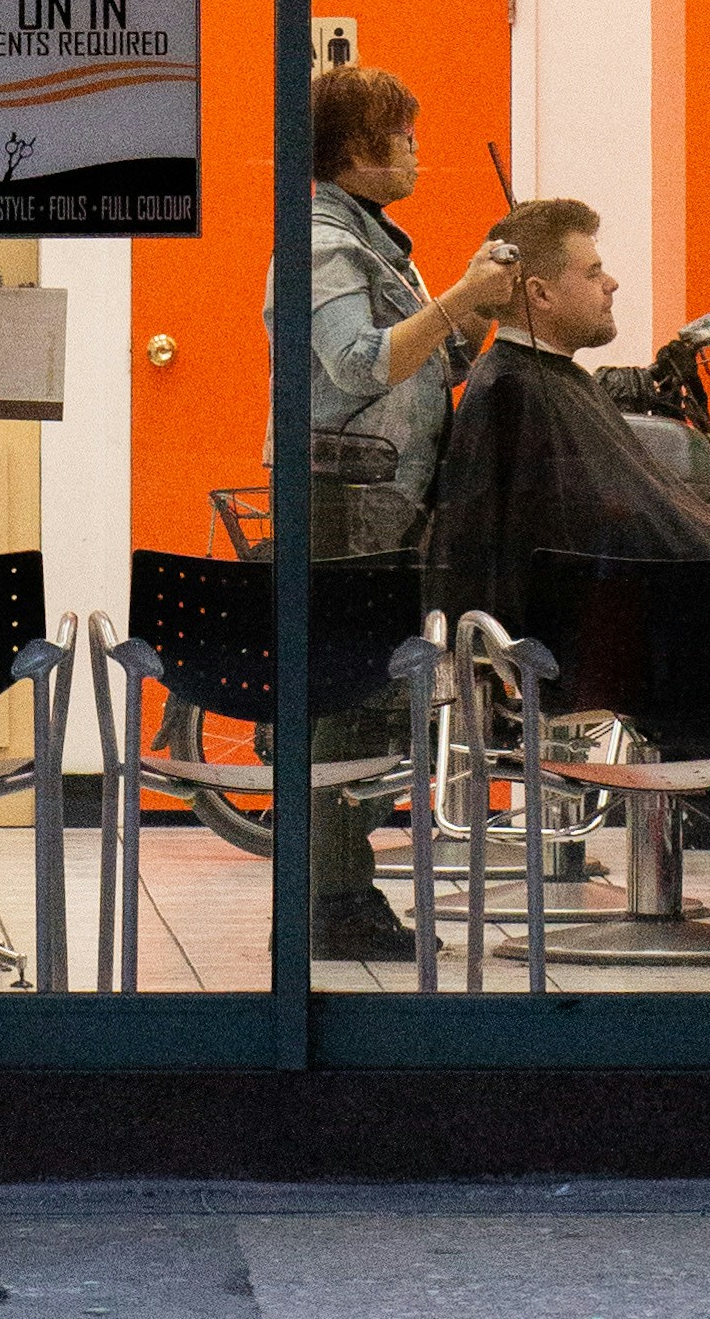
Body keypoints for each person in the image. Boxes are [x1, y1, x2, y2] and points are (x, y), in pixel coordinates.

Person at [303, 65, 520, 962]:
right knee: (342, 709)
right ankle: (332, 905)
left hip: (384, 500)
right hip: (345, 504)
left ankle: (342, 899)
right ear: (358, 150)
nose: (417, 151)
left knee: (367, 705)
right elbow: (359, 365)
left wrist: (478, 312)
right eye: (405, 136)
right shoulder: (319, 240)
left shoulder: (374, 241)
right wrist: (463, 298)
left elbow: (424, 364)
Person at [422, 195, 710, 645]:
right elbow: (584, 535)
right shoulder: (519, 389)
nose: (611, 283)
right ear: (540, 293)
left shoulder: (547, 380)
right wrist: (694, 536)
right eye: (593, 272)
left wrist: (689, 521)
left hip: (634, 614)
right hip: (611, 636)